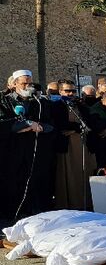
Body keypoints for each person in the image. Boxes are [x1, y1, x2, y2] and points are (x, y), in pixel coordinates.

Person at [1, 69, 57, 222]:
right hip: (11, 151)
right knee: (12, 182)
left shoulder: (38, 103)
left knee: (33, 180)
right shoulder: (4, 100)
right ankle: (12, 215)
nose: (28, 86)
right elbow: (4, 123)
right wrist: (26, 124)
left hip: (33, 150)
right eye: (24, 83)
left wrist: (39, 127)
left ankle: (31, 211)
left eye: (30, 83)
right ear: (14, 84)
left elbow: (51, 124)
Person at [53, 79, 97, 210]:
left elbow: (90, 122)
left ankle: (87, 204)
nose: (71, 93)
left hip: (84, 145)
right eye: (67, 91)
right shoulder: (56, 106)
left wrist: (74, 129)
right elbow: (60, 124)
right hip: (68, 147)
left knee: (85, 174)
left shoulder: (80, 106)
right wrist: (76, 128)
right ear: (60, 91)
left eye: (73, 91)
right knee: (70, 176)